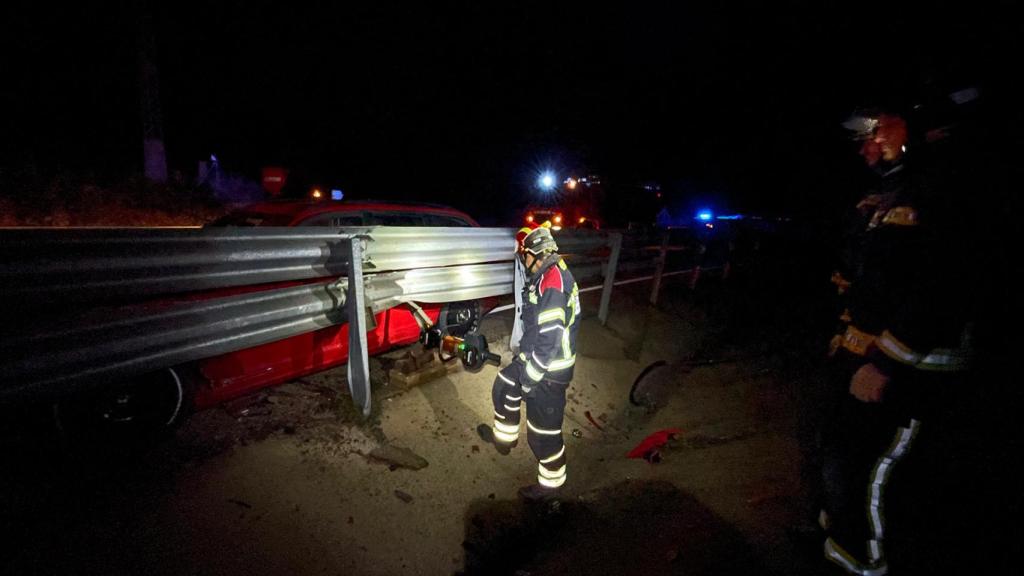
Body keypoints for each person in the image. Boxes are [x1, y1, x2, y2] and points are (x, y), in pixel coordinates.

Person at [817, 106, 974, 575]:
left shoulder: (945, 189)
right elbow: (867, 275)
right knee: (842, 458)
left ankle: (864, 562)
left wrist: (886, 362)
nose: (871, 145)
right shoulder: (891, 192)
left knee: (871, 469)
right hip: (865, 356)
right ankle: (841, 542)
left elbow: (942, 288)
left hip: (908, 371)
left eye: (880, 130)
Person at [477, 222, 581, 499]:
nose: (523, 261)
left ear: (535, 254)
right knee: (503, 386)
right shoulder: (545, 276)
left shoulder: (553, 283)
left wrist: (529, 380)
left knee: (542, 435)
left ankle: (551, 487)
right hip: (534, 358)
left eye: (525, 256)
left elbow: (549, 341)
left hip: (549, 371)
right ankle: (505, 440)